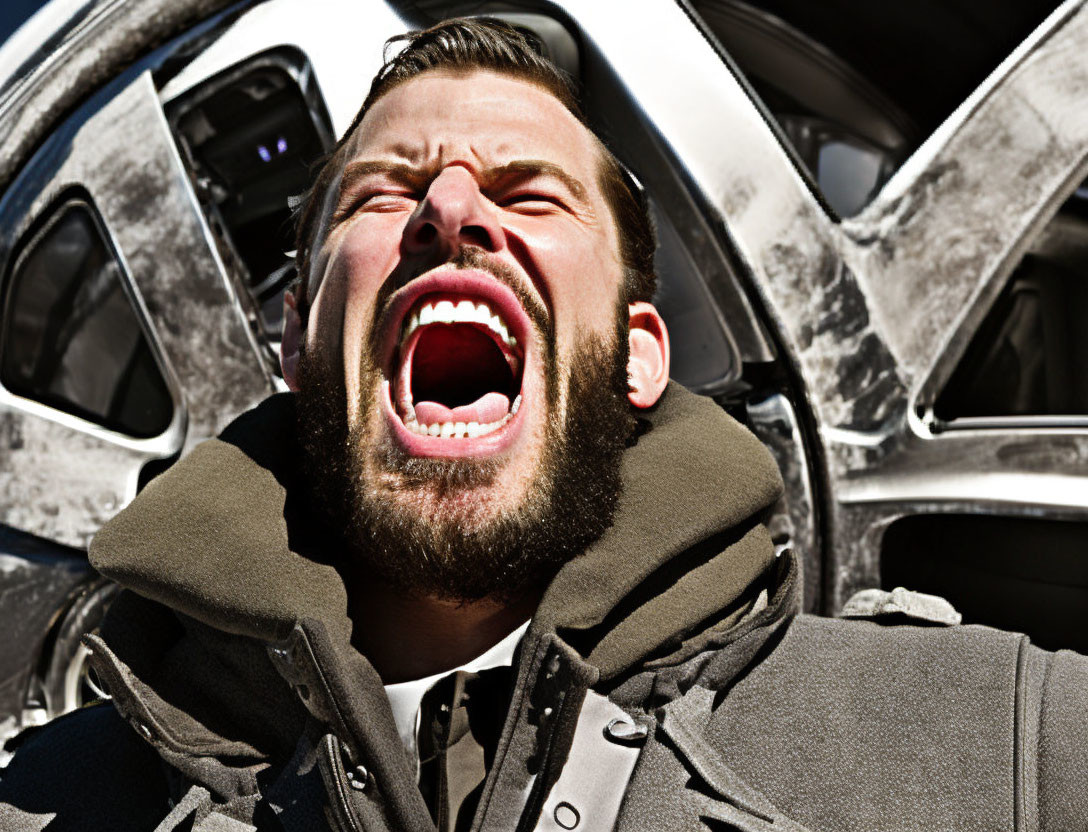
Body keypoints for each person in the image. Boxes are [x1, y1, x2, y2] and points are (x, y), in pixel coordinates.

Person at [1, 17, 1086, 832]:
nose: (452, 210)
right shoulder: (49, 805)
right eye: (389, 191)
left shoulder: (995, 743)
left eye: (528, 194)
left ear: (635, 356)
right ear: (295, 338)